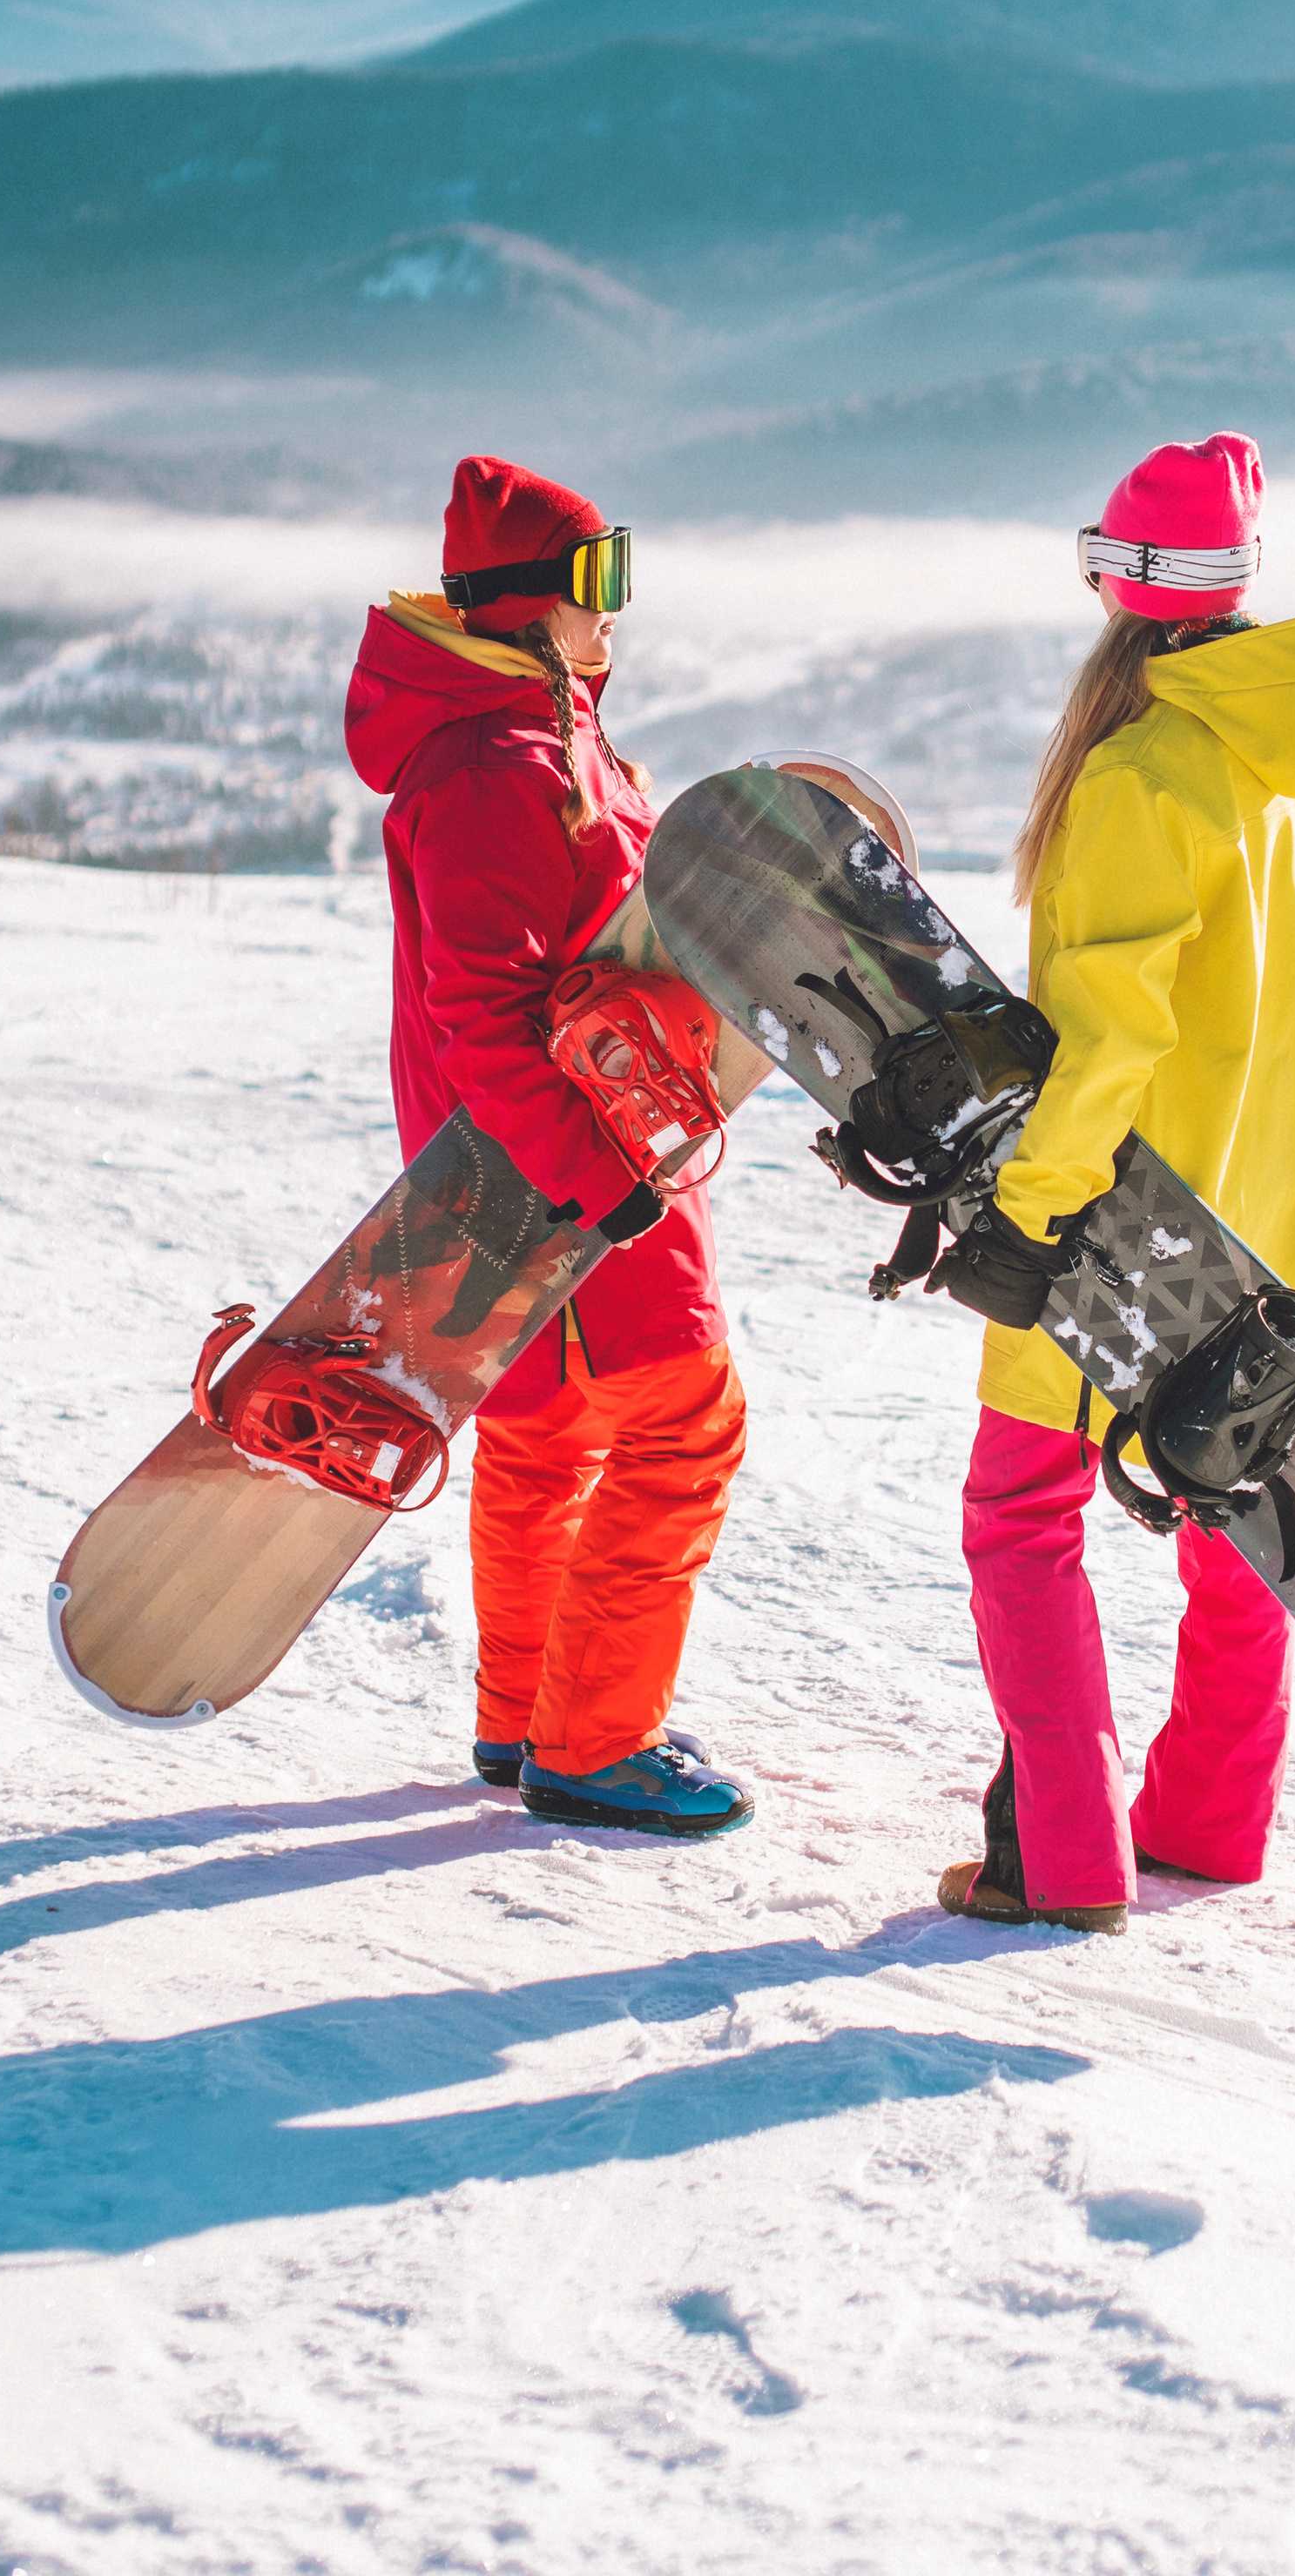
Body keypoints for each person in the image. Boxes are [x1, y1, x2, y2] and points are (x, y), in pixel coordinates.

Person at [925, 432, 1295, 1932]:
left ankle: (1058, 1855)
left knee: (1021, 1513)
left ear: (1116, 586)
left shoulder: (1143, 772)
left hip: (1119, 1225)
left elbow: (1111, 1042)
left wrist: (1027, 1217)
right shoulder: (1293, 769)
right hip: (1269, 1226)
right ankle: (1209, 1820)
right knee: (1241, 1514)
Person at [343, 454, 752, 1838]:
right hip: (570, 1167)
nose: (616, 612)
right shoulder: (496, 766)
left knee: (545, 1430)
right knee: (688, 1422)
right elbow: (483, 1012)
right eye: (598, 583)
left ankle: (528, 1721)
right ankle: (596, 1743)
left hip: (535, 1169)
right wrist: (598, 1189)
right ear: (527, 605)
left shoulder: (528, 733)